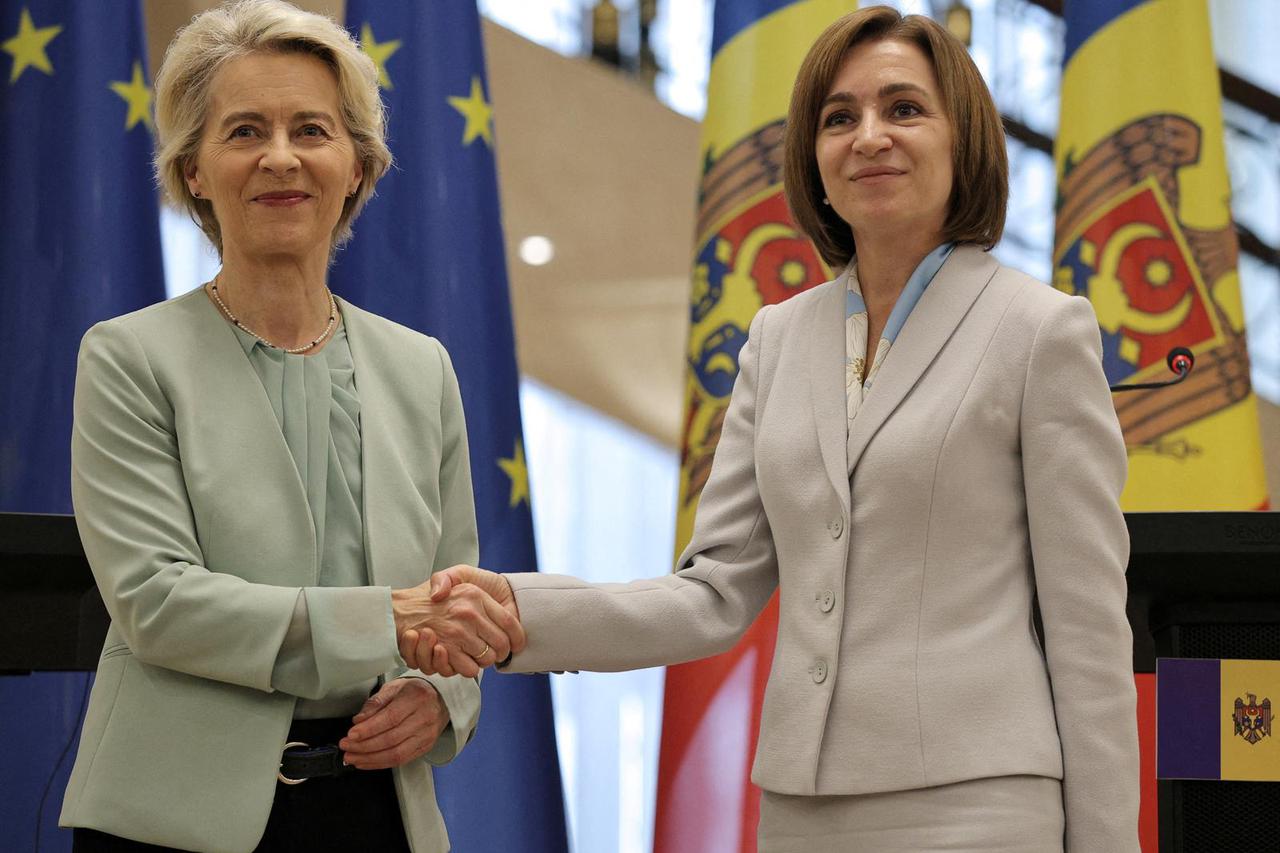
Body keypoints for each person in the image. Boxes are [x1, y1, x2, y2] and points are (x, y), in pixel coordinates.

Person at [420, 7, 1139, 851]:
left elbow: (1089, 631)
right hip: (801, 806)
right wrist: (519, 610)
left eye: (904, 108)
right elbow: (715, 592)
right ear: (815, 161)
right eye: (840, 117)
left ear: (964, 140)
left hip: (981, 808)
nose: (870, 136)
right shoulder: (776, 337)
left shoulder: (1041, 331)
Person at [58, 2, 522, 851]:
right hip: (171, 821)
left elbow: (451, 603)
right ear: (194, 170)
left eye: (312, 129)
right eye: (243, 132)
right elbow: (159, 602)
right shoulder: (126, 358)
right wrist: (389, 617)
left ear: (357, 166)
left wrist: (438, 697)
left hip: (382, 812)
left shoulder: (424, 368)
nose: (281, 157)